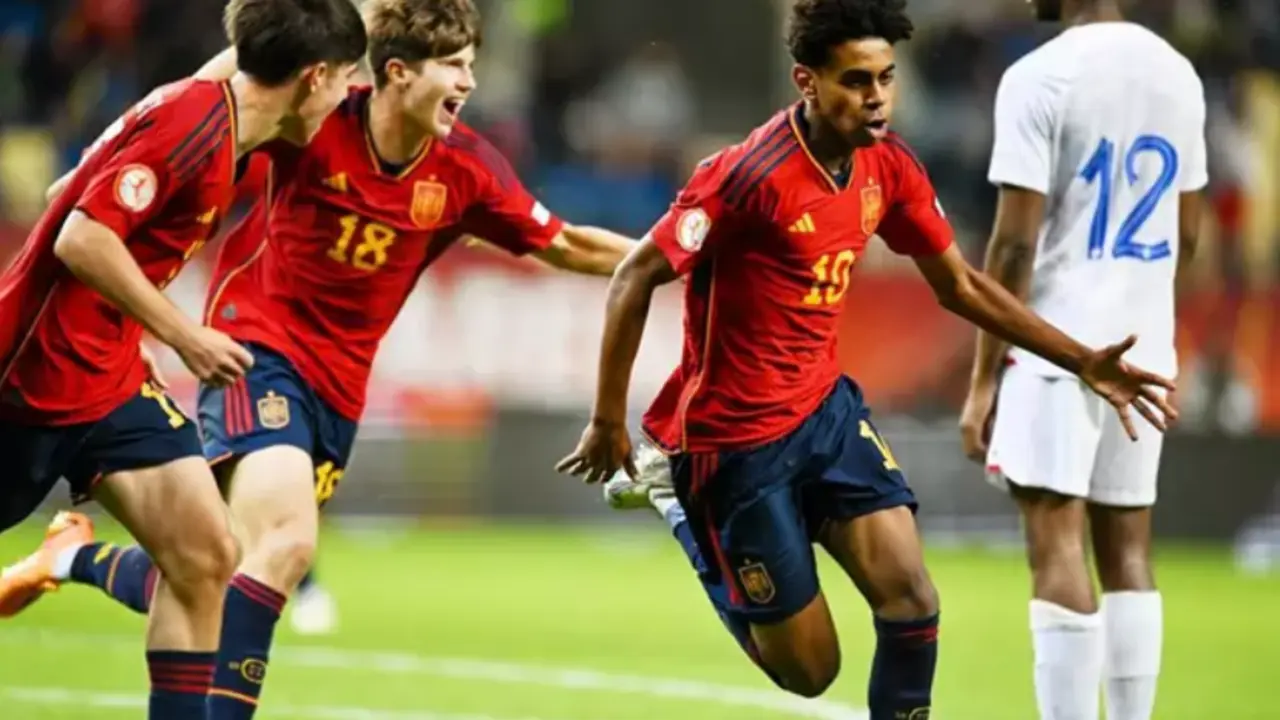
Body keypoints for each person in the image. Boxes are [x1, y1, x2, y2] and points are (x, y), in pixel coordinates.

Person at [0, 0, 634, 716]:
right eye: (455, 65)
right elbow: (227, 90)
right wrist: (180, 328)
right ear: (393, 72)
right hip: (250, 348)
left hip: (317, 386)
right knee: (286, 544)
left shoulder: (464, 171)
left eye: (473, 65)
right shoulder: (295, 119)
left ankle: (72, 557)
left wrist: (674, 260)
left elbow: (568, 244)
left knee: (219, 560)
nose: (470, 82)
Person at [559, 1, 1177, 718]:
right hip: (734, 446)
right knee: (812, 672)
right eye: (856, 80)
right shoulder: (745, 177)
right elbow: (636, 274)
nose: (877, 95)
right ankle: (678, 502)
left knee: (914, 601)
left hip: (825, 416)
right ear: (807, 82)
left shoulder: (888, 165)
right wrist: (608, 419)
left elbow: (962, 285)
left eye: (886, 77)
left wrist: (1081, 360)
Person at [0, 1, 365, 717]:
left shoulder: (223, 111)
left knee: (204, 557)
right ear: (314, 76)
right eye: (348, 78)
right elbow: (82, 238)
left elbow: (60, 192)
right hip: (30, 377)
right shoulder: (192, 130)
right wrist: (186, 337)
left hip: (108, 376)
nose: (350, 96)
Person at [957, 1, 1207, 718]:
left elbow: (1011, 246)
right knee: (1129, 551)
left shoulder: (1039, 76)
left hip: (1055, 349)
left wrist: (981, 383)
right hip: (1144, 351)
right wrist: (1144, 318)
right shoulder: (1179, 75)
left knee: (1056, 546)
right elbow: (1187, 237)